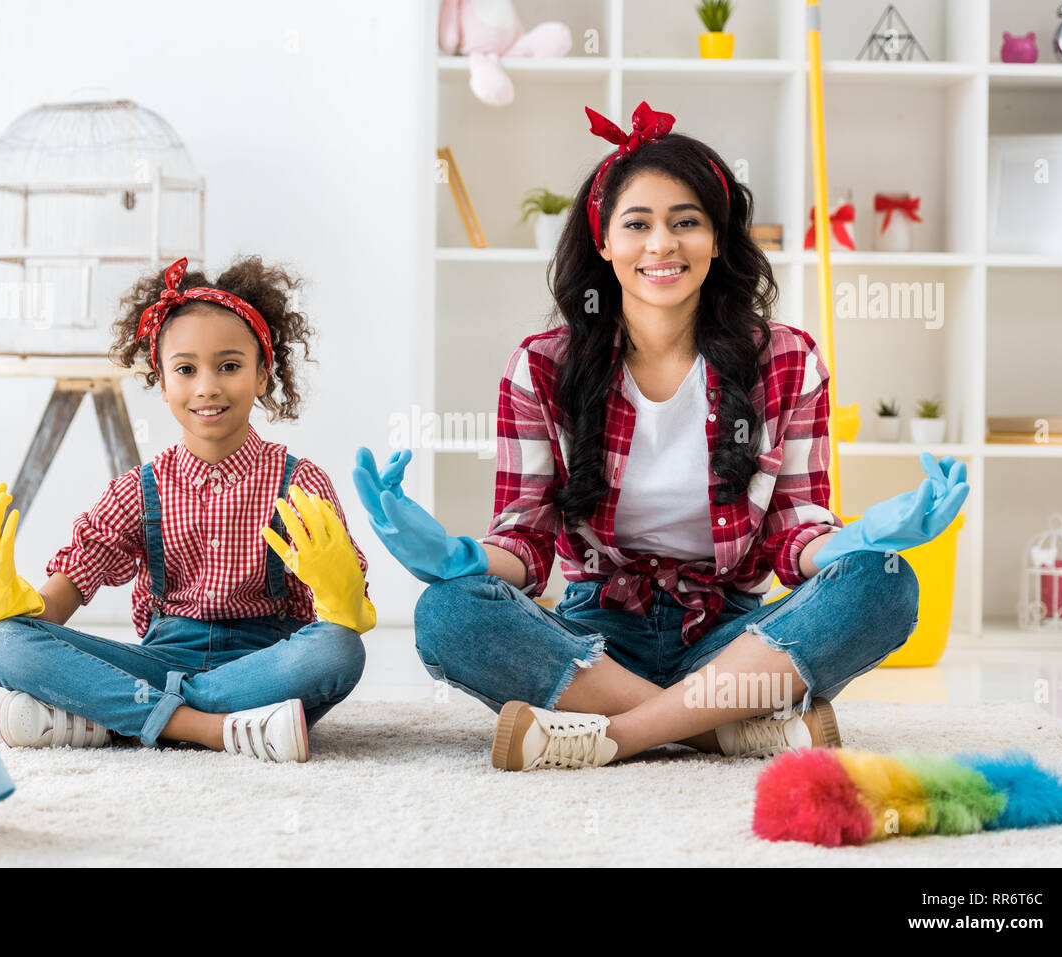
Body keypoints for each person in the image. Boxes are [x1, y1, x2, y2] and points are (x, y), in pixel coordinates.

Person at [353, 102, 968, 772]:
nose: (662, 245)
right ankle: (713, 729)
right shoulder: (540, 367)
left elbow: (795, 531)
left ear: (717, 239)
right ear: (604, 242)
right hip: (595, 641)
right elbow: (524, 549)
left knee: (885, 580)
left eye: (687, 223)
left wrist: (859, 538)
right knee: (449, 612)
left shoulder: (788, 360)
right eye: (637, 224)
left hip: (734, 638)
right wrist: (456, 556)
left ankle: (619, 734)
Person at [0, 257, 375, 763]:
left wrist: (341, 591)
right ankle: (214, 728)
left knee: (339, 651)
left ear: (263, 375)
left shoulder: (299, 483)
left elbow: (341, 623)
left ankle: (119, 719)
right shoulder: (137, 491)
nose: (207, 386)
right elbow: (55, 607)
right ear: (162, 383)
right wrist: (6, 594)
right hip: (158, 661)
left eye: (229, 366)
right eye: (186, 369)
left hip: (262, 666)